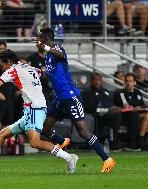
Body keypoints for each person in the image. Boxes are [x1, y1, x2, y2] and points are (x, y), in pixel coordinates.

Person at [0, 49, 79, 174]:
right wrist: (69, 82)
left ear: (9, 62)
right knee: (3, 134)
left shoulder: (13, 70)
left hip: (35, 109)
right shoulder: (27, 67)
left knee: (34, 142)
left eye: (2, 63)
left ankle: (69, 157)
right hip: (32, 111)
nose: (1, 66)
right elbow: (45, 73)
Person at [34, 28, 115, 173]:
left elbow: (60, 54)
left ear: (46, 39)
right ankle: (61, 141)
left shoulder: (56, 48)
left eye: (39, 39)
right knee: (44, 128)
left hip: (71, 97)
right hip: (60, 99)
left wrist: (46, 47)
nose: (37, 41)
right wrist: (34, 73)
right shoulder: (47, 56)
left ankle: (107, 160)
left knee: (83, 131)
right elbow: (50, 75)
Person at [83, 72, 122, 151]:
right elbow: (91, 108)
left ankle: (121, 141)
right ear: (91, 81)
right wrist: (108, 110)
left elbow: (111, 104)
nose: (97, 82)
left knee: (121, 114)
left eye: (99, 80)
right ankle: (112, 142)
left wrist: (115, 108)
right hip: (95, 117)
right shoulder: (87, 93)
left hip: (108, 115)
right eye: (95, 80)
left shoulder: (106, 92)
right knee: (116, 116)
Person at [114, 73, 146, 150]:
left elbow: (142, 105)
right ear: (124, 82)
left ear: (135, 82)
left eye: (131, 81)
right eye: (127, 81)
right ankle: (137, 142)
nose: (128, 83)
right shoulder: (120, 93)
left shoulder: (137, 93)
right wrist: (135, 107)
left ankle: (140, 141)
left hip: (137, 113)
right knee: (135, 115)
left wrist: (139, 107)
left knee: (147, 116)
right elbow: (126, 106)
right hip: (125, 115)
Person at [28, 40, 53, 107]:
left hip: (50, 89)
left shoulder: (51, 58)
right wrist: (40, 73)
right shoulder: (32, 58)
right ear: (37, 45)